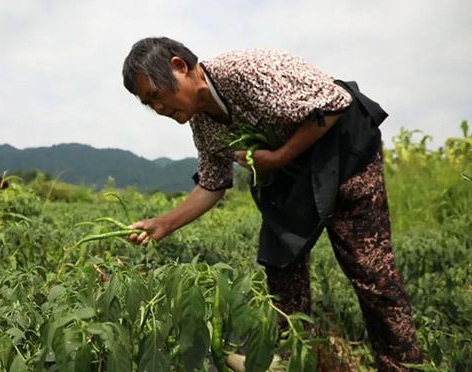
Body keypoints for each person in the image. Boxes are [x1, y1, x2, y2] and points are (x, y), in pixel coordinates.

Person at [122, 37, 422, 371]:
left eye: (156, 95)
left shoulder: (246, 71)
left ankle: (402, 365)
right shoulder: (204, 124)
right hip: (289, 170)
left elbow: (336, 103)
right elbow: (212, 183)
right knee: (280, 264)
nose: (159, 109)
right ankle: (293, 358)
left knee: (371, 272)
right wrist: (164, 223)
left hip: (342, 148)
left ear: (180, 67)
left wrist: (279, 157)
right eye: (149, 104)